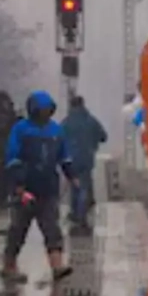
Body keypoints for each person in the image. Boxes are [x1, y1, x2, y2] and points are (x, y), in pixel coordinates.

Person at [2, 90, 78, 283]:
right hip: (26, 188)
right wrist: (18, 185)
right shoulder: (21, 129)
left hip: (48, 188)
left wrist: (72, 175)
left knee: (52, 228)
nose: (45, 113)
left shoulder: (55, 130)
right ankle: (9, 265)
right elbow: (13, 157)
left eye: (47, 110)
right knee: (18, 229)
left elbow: (64, 155)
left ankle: (57, 265)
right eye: (41, 110)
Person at [61, 95, 107, 226]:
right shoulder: (91, 120)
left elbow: (58, 138)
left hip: (70, 159)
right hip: (86, 158)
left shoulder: (66, 122)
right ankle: (81, 214)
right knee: (84, 186)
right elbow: (103, 136)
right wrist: (93, 142)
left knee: (74, 185)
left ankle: (75, 213)